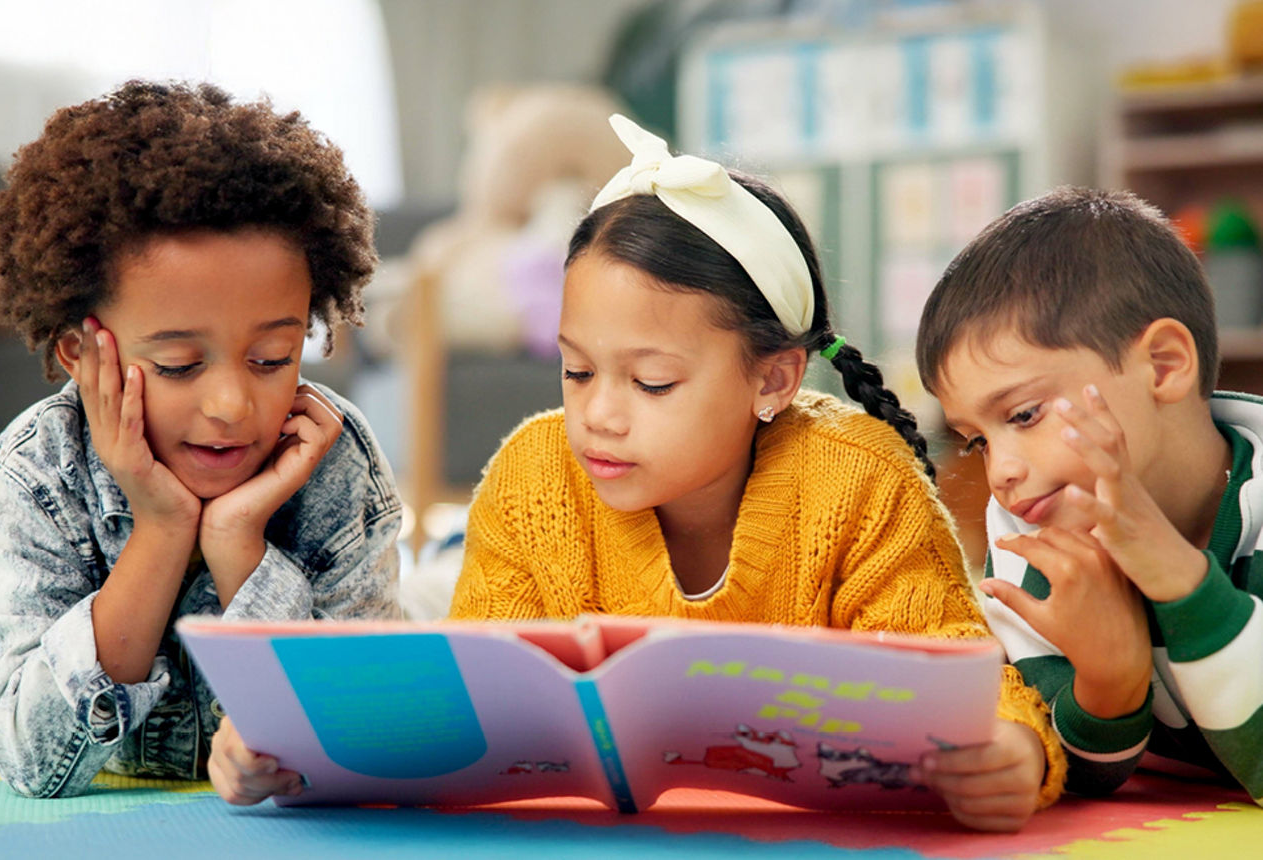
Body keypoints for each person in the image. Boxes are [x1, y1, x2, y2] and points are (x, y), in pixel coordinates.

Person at [442, 115, 1065, 831]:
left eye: (651, 382)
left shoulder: (859, 479)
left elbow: (957, 661)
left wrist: (1011, 749)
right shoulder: (533, 477)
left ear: (773, 380)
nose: (599, 415)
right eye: (577, 370)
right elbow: (476, 692)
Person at [0, 80, 402, 800]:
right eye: (178, 365)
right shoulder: (35, 473)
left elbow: (368, 734)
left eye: (273, 359)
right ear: (80, 352)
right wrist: (162, 531)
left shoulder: (329, 456)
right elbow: (31, 759)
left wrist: (240, 543)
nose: (234, 405)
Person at [914, 186, 1263, 805]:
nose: (1001, 474)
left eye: (1023, 415)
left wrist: (1180, 582)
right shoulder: (1027, 539)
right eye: (977, 442)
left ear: (1162, 366)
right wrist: (1108, 681)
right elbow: (1071, 773)